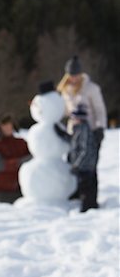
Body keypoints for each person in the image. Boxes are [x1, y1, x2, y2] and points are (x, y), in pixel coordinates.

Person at [57, 55, 107, 201]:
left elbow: (100, 110)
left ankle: (91, 196)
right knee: (74, 163)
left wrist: (100, 129)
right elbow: (65, 111)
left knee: (89, 166)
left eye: (76, 75)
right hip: (74, 131)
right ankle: (78, 191)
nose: (74, 78)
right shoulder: (65, 90)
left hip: (91, 131)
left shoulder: (91, 88)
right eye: (71, 75)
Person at [55, 104, 99, 212]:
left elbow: (85, 150)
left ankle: (88, 208)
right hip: (82, 165)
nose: (72, 119)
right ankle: (86, 205)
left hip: (86, 166)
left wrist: (77, 165)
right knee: (82, 186)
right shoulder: (78, 129)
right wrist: (62, 134)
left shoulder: (84, 129)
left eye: (74, 117)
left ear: (79, 118)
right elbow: (73, 142)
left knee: (86, 188)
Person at [0, 113, 31, 204]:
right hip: (0, 192)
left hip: (20, 190)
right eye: (5, 125)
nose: (8, 127)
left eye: (10, 124)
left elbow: (33, 158)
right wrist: (20, 162)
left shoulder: (22, 143)